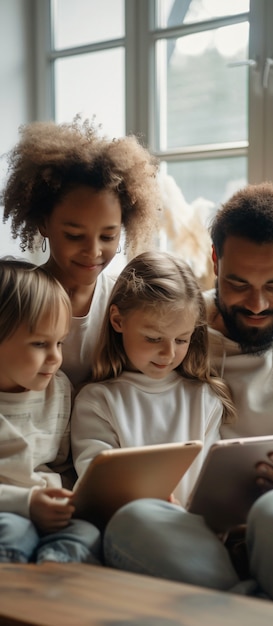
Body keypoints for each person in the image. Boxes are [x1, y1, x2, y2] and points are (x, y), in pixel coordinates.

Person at [102, 182, 273, 616]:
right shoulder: (180, 330)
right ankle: (258, 605)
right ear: (214, 261)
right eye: (238, 283)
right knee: (130, 520)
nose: (256, 303)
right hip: (203, 535)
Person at [1, 116, 162, 387]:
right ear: (43, 223)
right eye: (74, 235)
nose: (93, 251)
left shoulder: (128, 304)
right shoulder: (15, 299)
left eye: (108, 236)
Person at [71, 250, 236, 511]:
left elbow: (210, 482)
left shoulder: (204, 397)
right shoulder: (97, 401)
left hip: (190, 525)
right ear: (117, 320)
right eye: (153, 338)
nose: (169, 353)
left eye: (181, 339)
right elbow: (96, 483)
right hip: (128, 524)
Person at [0, 258, 101, 564]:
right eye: (41, 343)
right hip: (9, 511)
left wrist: (71, 499)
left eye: (60, 342)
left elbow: (62, 465)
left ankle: (52, 584)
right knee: (14, 532)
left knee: (87, 534)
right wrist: (27, 503)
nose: (55, 357)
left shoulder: (59, 391)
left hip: (52, 511)